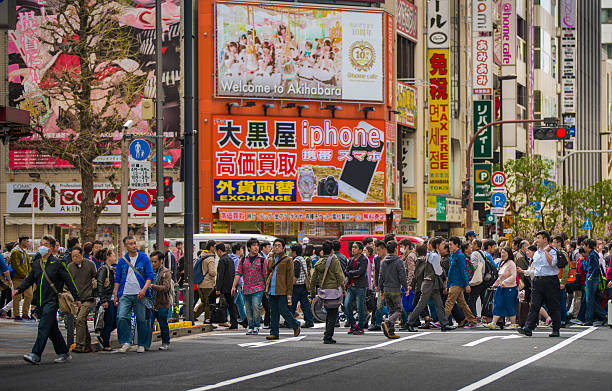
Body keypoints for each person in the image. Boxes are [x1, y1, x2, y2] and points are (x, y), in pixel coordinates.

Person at [13, 235, 81, 364]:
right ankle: (64, 352)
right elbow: (29, 279)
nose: (41, 247)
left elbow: (69, 281)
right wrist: (18, 290)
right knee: (51, 329)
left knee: (43, 327)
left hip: (53, 300)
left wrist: (77, 298)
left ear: (51, 248)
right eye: (41, 244)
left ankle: (35, 354)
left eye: (45, 244)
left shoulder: (57, 264)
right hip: (40, 301)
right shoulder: (37, 264)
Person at [114, 235, 154, 353]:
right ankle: (125, 342)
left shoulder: (144, 258)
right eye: (131, 243)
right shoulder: (122, 261)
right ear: (126, 246)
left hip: (140, 294)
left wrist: (144, 289)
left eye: (134, 243)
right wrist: (116, 294)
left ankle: (142, 343)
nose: (134, 245)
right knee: (121, 316)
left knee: (142, 319)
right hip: (125, 293)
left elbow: (149, 275)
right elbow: (117, 278)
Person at [518, 231, 561, 337]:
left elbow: (553, 263)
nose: (537, 240)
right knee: (534, 305)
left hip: (550, 280)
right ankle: (528, 328)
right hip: (538, 281)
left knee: (553, 305)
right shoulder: (536, 252)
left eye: (539, 238)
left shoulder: (552, 251)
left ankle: (556, 329)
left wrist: (546, 252)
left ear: (545, 239)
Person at [406, 239, 452, 332]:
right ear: (437, 245)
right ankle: (409, 323)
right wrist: (442, 271)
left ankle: (444, 324)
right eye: (442, 243)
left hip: (431, 283)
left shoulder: (431, 254)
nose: (444, 245)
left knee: (439, 304)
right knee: (421, 304)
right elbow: (438, 271)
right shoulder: (434, 256)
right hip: (430, 283)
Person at [309, 241, 345, 344]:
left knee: (329, 313)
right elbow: (340, 276)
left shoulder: (318, 263)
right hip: (334, 291)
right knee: (333, 314)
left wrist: (312, 294)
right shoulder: (334, 260)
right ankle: (328, 336)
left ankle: (327, 334)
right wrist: (343, 289)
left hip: (324, 292)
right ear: (332, 250)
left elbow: (313, 279)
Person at [265, 238, 301, 340]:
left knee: (283, 310)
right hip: (272, 289)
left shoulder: (288, 260)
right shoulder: (271, 259)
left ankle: (295, 325)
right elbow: (268, 274)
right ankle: (274, 332)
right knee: (273, 312)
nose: (276, 247)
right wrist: (266, 289)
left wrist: (289, 292)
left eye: (279, 245)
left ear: (283, 248)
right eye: (275, 245)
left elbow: (290, 277)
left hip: (282, 289)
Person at [233, 238, 267, 335]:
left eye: (257, 245)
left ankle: (256, 325)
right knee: (248, 308)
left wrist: (267, 288)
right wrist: (234, 286)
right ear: (249, 247)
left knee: (256, 306)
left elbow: (265, 274)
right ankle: (250, 325)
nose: (256, 247)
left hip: (258, 287)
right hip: (246, 288)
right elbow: (238, 273)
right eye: (254, 245)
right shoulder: (243, 260)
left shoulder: (262, 260)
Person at [67, 246, 97, 353]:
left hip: (88, 298)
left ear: (82, 254)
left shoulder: (90, 264)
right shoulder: (70, 267)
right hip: (76, 299)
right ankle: (87, 345)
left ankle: (79, 345)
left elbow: (96, 277)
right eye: (73, 256)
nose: (75, 258)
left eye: (77, 256)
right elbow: (68, 283)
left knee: (79, 319)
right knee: (82, 321)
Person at [444, 237, 478, 328]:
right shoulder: (453, 255)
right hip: (453, 282)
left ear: (457, 245)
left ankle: (442, 321)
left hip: (457, 283)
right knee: (462, 303)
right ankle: (473, 320)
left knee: (449, 302)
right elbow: (450, 272)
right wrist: (447, 285)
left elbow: (463, 271)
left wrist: (466, 284)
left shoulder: (460, 256)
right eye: (449, 244)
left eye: (451, 244)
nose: (449, 246)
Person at [378, 241, 408, 339]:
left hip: (386, 289)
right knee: (398, 310)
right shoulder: (398, 261)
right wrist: (406, 287)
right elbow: (402, 276)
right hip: (395, 289)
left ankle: (391, 331)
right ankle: (387, 322)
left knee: (391, 311)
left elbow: (380, 277)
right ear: (395, 249)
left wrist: (380, 289)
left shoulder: (383, 262)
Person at [146, 251, 172, 350]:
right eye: (151, 261)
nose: (153, 264)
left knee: (163, 324)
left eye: (155, 261)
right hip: (150, 303)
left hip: (162, 303)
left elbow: (166, 288)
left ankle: (166, 342)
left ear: (161, 261)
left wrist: (153, 286)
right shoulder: (149, 272)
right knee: (148, 324)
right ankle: (146, 344)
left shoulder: (166, 273)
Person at [487, 248, 518, 329]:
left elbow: (513, 276)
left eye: (504, 253)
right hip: (501, 288)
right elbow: (500, 277)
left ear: (509, 254)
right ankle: (493, 322)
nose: (502, 254)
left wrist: (504, 283)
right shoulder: (502, 263)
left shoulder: (511, 263)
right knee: (498, 304)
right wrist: (495, 284)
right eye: (501, 253)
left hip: (509, 288)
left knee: (509, 305)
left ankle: (513, 323)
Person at [344, 242, 368, 335]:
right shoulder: (351, 259)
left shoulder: (363, 259)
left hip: (360, 286)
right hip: (351, 286)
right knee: (346, 305)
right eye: (352, 247)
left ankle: (360, 326)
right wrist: (353, 274)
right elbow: (346, 271)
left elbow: (360, 272)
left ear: (360, 250)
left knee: (360, 307)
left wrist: (350, 273)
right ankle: (353, 324)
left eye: (355, 247)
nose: (353, 249)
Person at [95, 249, 117, 351]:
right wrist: (103, 300)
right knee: (109, 321)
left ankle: (103, 336)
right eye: (113, 255)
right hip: (107, 299)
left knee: (115, 320)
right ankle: (106, 343)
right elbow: (100, 285)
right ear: (108, 256)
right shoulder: (104, 269)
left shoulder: (110, 269)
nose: (115, 257)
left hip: (112, 299)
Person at [289, 243, 314, 329]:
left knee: (292, 305)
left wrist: (290, 285)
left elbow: (296, 275)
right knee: (305, 304)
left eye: (290, 250)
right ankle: (309, 321)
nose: (289, 252)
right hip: (303, 286)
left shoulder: (296, 261)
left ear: (294, 252)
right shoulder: (302, 259)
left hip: (297, 286)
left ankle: (289, 321)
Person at [582, 238, 607, 326]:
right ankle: (601, 316)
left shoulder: (592, 255)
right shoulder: (592, 254)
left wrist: (591, 277)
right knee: (590, 299)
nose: (583, 247)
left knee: (590, 300)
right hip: (591, 279)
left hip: (591, 280)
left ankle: (591, 319)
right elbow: (587, 268)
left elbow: (595, 268)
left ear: (588, 246)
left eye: (584, 245)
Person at [215, 243, 239, 329]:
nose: (217, 254)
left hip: (224, 287)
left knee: (228, 304)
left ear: (219, 251)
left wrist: (218, 288)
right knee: (232, 305)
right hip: (231, 285)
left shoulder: (222, 260)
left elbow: (220, 275)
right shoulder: (230, 259)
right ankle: (234, 323)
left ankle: (222, 319)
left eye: (216, 252)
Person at [194, 240, 217, 323]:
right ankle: (207, 319)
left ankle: (193, 315)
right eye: (215, 247)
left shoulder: (202, 255)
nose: (216, 248)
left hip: (200, 282)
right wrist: (216, 272)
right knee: (207, 303)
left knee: (204, 302)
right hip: (207, 283)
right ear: (211, 247)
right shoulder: (210, 258)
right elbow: (212, 272)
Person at [10, 236, 32, 321]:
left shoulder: (24, 252)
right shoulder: (15, 252)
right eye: (26, 241)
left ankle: (25, 313)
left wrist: (29, 275)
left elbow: (28, 264)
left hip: (26, 278)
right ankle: (16, 315)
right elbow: (16, 265)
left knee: (29, 295)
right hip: (17, 278)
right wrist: (24, 274)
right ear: (22, 241)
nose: (28, 243)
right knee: (17, 297)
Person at [552, 235, 570, 327]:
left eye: (554, 242)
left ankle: (563, 319)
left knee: (561, 301)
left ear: (558, 243)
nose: (552, 244)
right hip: (555, 280)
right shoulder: (556, 252)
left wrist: (563, 282)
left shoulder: (562, 253)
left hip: (560, 281)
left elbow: (566, 268)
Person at [230, 243, 248, 328]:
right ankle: (225, 318)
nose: (243, 251)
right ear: (237, 250)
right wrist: (242, 283)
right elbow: (238, 273)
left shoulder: (230, 258)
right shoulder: (237, 260)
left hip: (233, 283)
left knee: (240, 302)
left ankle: (245, 320)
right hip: (237, 284)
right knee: (232, 302)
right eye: (242, 249)